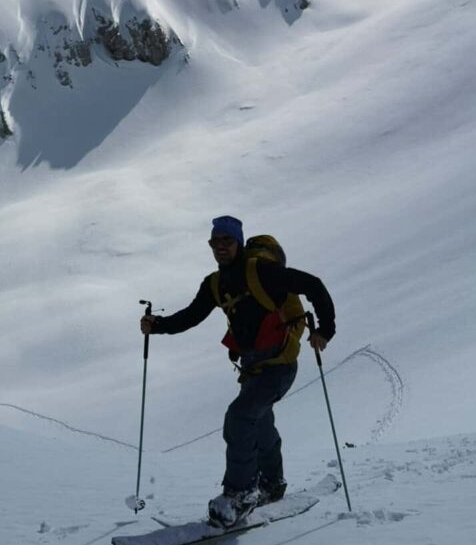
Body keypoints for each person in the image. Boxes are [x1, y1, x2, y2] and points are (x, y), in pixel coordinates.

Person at [140, 214, 336, 528]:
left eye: (227, 241)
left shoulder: (261, 271)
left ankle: (239, 494)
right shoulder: (215, 283)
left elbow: (313, 285)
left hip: (280, 366)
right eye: (215, 241)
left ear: (239, 242)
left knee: (241, 416)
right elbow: (192, 316)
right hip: (252, 367)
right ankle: (272, 484)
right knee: (258, 422)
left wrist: (325, 330)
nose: (220, 247)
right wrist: (158, 326)